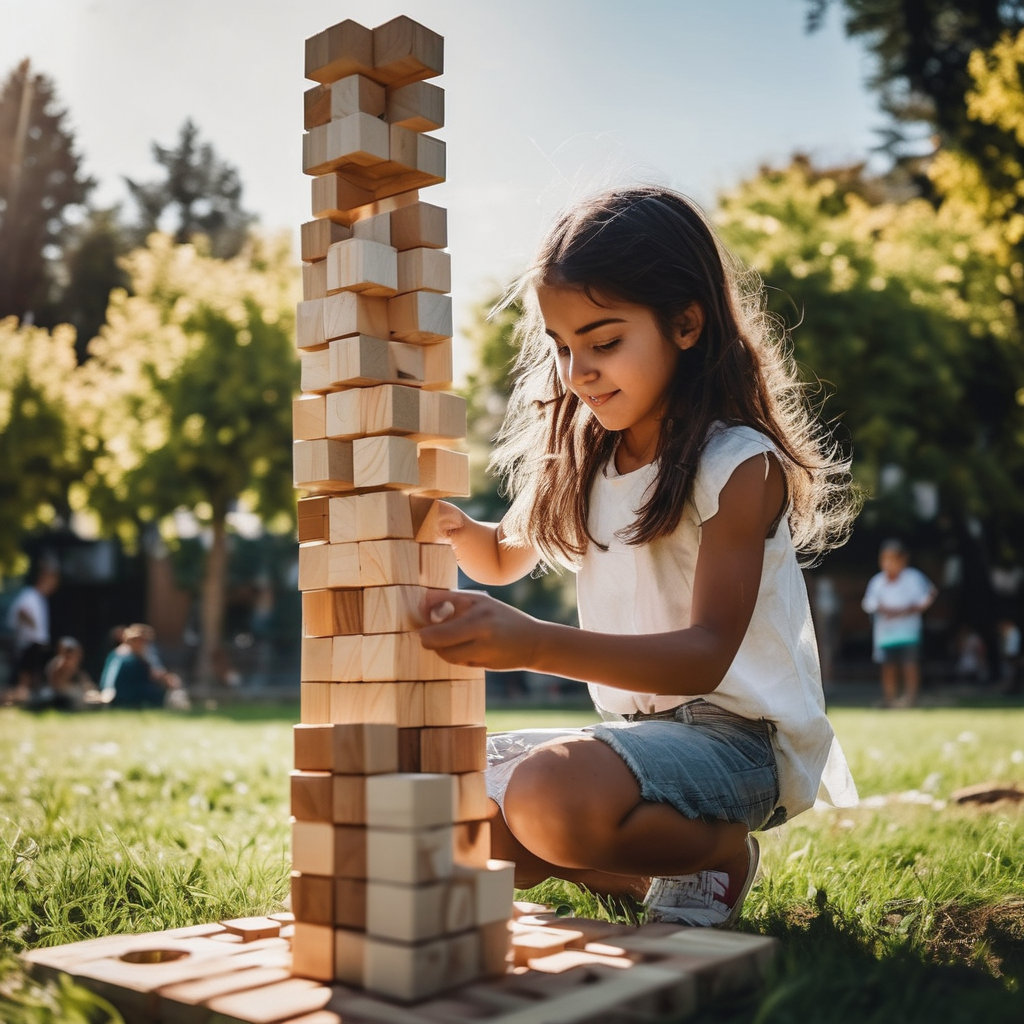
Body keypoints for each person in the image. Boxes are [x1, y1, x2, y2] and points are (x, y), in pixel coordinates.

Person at [414, 186, 859, 927]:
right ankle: (645, 872)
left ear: (686, 324)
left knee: (545, 796)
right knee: (454, 805)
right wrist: (456, 530)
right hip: (635, 742)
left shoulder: (737, 464)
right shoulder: (585, 458)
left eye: (604, 340)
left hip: (736, 744)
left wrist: (528, 643)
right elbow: (499, 557)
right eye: (562, 346)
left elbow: (704, 658)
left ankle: (717, 855)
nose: (578, 370)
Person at [861, 540, 937, 708]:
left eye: (893, 559)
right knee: (888, 667)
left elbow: (928, 595)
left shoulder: (913, 577)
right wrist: (885, 609)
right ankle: (890, 698)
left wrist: (909, 609)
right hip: (886, 634)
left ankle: (910, 699)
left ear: (903, 560)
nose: (889, 563)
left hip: (909, 632)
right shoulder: (877, 581)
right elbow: (869, 603)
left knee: (910, 665)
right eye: (885, 559)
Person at [3, 562, 60, 703]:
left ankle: (29, 698)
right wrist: (34, 629)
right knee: (25, 673)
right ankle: (19, 699)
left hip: (35, 642)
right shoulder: (30, 595)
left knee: (33, 673)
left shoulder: (39, 598)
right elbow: (21, 612)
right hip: (29, 642)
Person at [98, 623, 183, 708]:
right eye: (139, 640)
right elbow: (110, 678)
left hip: (140, 689)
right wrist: (107, 693)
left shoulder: (144, 654)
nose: (143, 644)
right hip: (126, 692)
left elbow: (155, 671)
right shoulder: (121, 655)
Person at [43, 637, 100, 710]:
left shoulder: (73, 666)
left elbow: (84, 680)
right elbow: (59, 687)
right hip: (55, 695)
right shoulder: (59, 664)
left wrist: (91, 690)